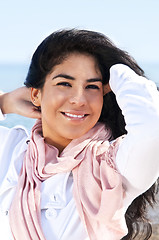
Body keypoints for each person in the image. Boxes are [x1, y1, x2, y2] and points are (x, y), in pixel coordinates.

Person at [0, 29, 159, 240]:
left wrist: (116, 70)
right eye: (65, 83)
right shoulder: (10, 147)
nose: (79, 99)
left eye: (92, 86)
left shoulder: (115, 165)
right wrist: (4, 101)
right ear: (36, 94)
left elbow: (151, 126)